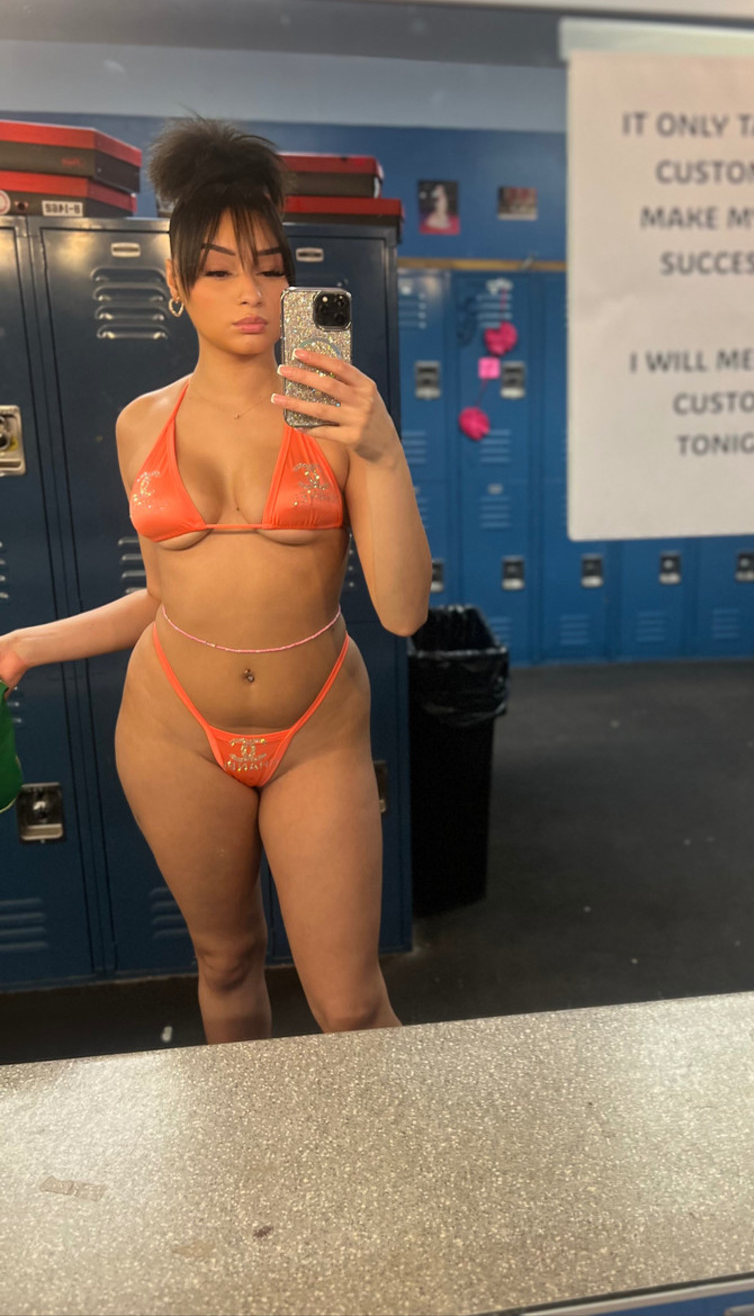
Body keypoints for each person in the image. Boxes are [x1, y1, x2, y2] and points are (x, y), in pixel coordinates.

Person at [0, 119, 431, 1043]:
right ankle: (253, 1143)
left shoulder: (337, 420)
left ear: (293, 284)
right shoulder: (140, 425)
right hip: (174, 730)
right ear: (176, 283)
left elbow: (402, 611)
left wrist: (383, 451)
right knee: (227, 962)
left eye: (269, 269)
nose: (250, 293)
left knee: (351, 1004)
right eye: (219, 270)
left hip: (315, 727)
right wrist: (24, 644)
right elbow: (167, 597)